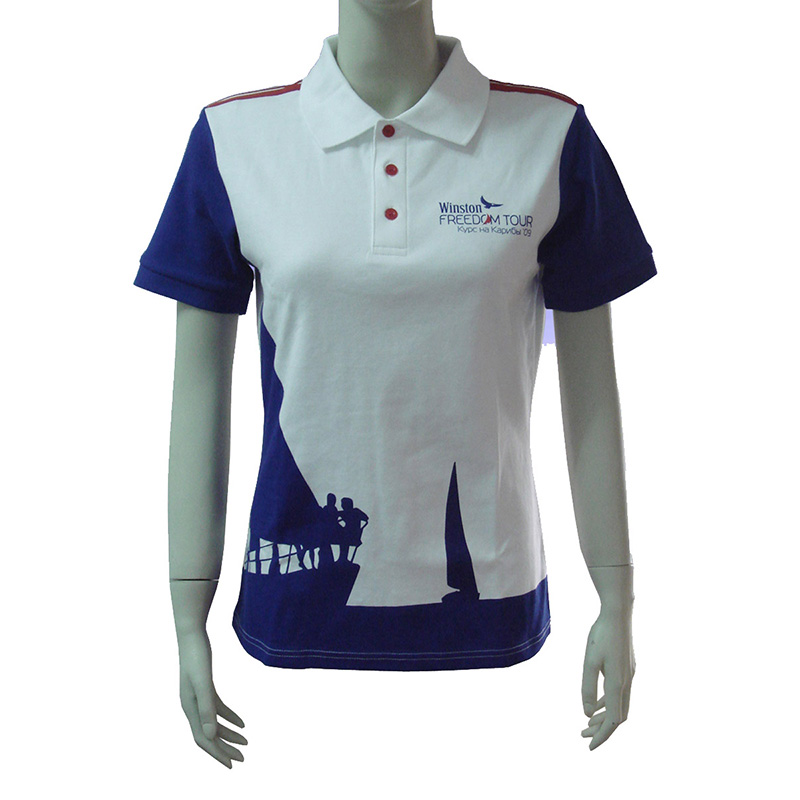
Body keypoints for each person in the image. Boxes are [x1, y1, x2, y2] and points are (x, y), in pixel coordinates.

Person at [137, 0, 653, 767]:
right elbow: (197, 397)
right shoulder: (236, 141)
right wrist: (188, 614)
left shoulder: (550, 137)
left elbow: (594, 394)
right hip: (295, 627)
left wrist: (617, 595)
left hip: (495, 632)